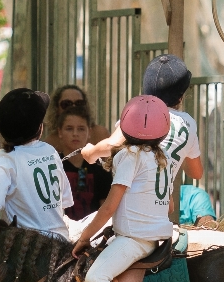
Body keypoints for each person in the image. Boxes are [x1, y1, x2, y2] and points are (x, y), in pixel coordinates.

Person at [73, 95, 173, 282]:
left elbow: (108, 208)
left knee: (95, 276)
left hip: (135, 240)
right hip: (158, 236)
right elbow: (170, 204)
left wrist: (84, 237)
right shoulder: (162, 158)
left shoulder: (129, 156)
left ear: (125, 128)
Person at [0, 88, 73, 239]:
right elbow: (65, 200)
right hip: (61, 240)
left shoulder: (4, 160)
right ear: (39, 128)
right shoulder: (50, 150)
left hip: (27, 248)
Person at [82, 55, 203, 190]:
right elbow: (196, 173)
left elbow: (113, 145)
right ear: (180, 98)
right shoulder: (188, 123)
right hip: (160, 204)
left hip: (131, 200)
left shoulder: (142, 112)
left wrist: (91, 153)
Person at [54, 98, 111, 220]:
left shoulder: (100, 168)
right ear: (59, 132)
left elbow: (105, 208)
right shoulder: (53, 165)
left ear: (89, 132)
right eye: (69, 128)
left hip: (92, 232)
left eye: (81, 129)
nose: (75, 134)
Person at [43, 84, 110, 153]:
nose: (73, 107)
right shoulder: (50, 143)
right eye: (66, 104)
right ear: (56, 108)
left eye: (79, 103)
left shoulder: (101, 134)